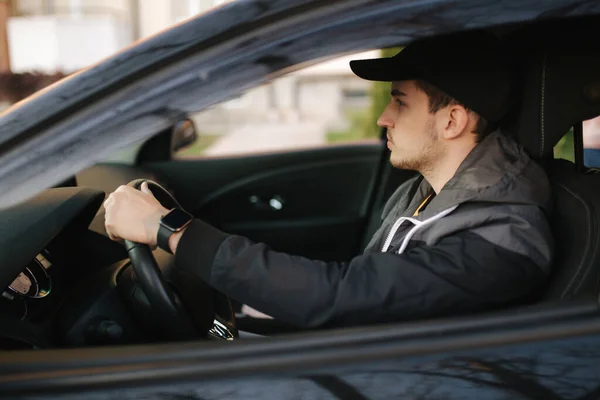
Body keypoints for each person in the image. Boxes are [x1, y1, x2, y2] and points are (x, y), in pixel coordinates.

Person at [104, 31, 553, 329]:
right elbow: (358, 291)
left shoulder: (503, 241)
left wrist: (172, 231)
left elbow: (343, 295)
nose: (383, 118)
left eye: (400, 102)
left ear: (452, 120)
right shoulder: (424, 194)